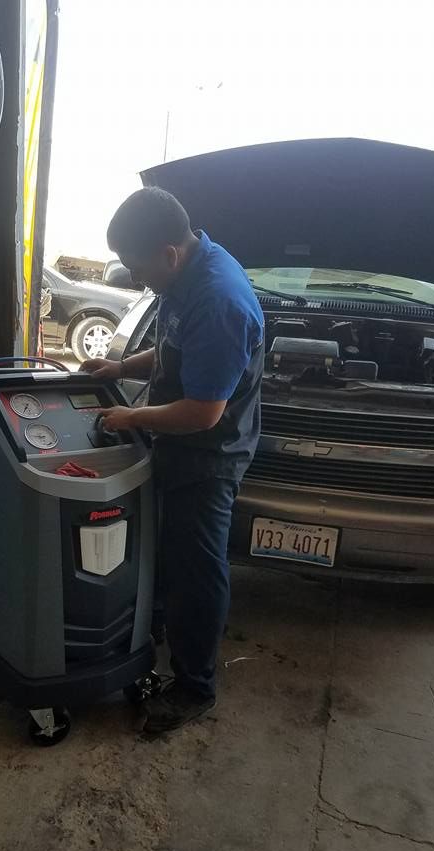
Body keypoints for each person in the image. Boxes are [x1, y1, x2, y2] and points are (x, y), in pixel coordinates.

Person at [82, 187, 264, 734]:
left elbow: (204, 412)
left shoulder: (220, 299)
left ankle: (194, 688)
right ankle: (153, 628)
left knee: (196, 571)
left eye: (139, 269)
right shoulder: (185, 271)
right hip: (179, 441)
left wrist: (129, 419)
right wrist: (120, 370)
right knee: (167, 553)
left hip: (209, 455)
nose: (138, 280)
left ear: (168, 254)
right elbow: (171, 349)